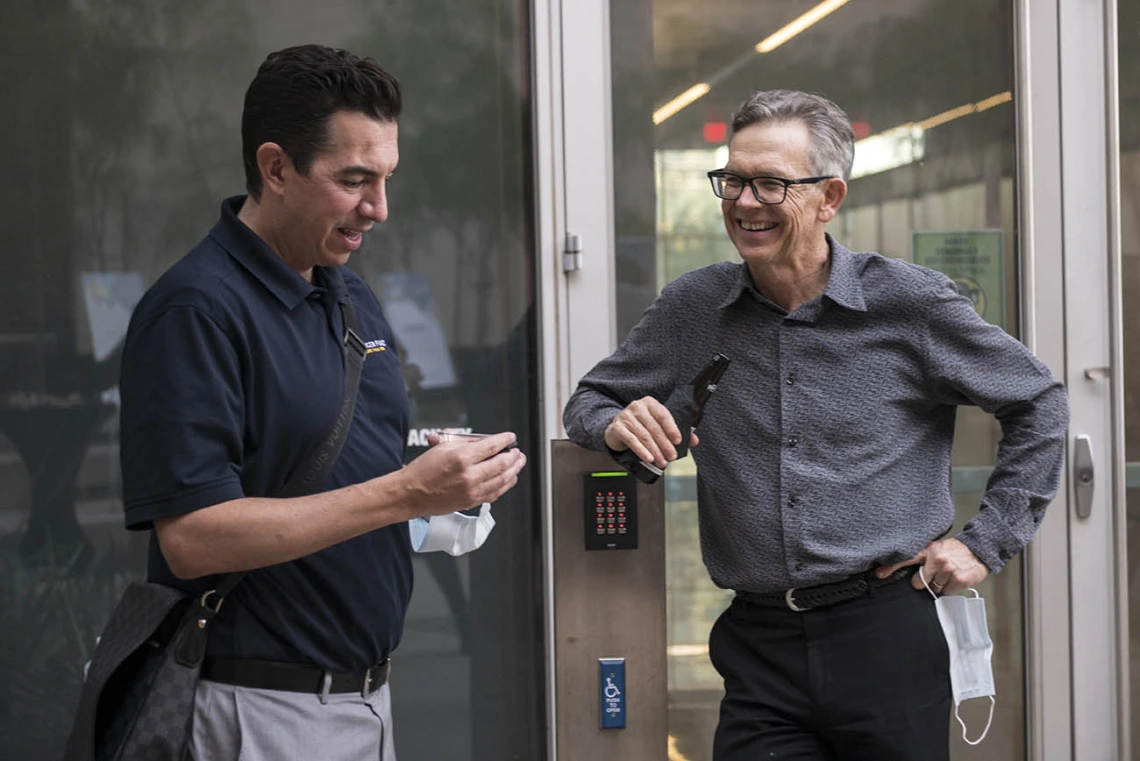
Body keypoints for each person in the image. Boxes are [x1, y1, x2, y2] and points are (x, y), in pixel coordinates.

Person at [562, 89, 1068, 760]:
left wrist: (985, 540)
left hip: (888, 631)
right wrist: (619, 423)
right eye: (733, 180)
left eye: (770, 184)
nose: (743, 203)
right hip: (759, 643)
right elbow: (588, 402)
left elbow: (1040, 401)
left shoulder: (911, 304)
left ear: (829, 197)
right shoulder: (693, 308)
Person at [118, 44, 526, 761]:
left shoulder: (349, 293)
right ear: (275, 168)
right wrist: (403, 493)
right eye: (355, 180)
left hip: (365, 704)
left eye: (387, 178)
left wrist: (435, 483)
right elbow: (192, 538)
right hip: (255, 712)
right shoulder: (194, 309)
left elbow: (324, 464)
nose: (381, 208)